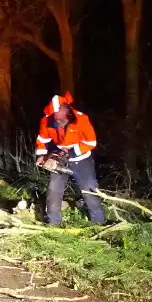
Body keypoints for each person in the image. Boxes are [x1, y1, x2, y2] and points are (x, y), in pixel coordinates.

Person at [35, 92, 105, 225]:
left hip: (82, 160)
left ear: (67, 109)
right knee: (54, 189)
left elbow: (91, 142)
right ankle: (53, 222)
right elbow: (42, 139)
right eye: (56, 118)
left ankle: (99, 222)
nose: (59, 121)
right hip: (59, 159)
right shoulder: (46, 121)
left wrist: (72, 151)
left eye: (61, 117)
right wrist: (41, 155)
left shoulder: (82, 119)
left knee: (89, 189)